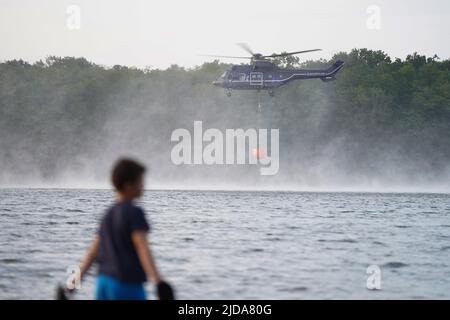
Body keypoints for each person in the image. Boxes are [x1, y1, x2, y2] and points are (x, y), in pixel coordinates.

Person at [77, 158, 162, 300]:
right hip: (126, 284)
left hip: (103, 283)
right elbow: (142, 248)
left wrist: (71, 285)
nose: (143, 186)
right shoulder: (135, 212)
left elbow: (92, 253)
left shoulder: (108, 214)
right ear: (128, 185)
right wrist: (158, 281)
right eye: (140, 181)